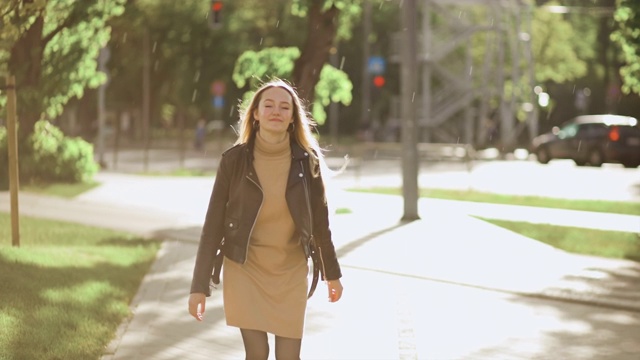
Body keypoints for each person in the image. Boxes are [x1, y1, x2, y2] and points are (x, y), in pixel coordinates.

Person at [188, 79, 344, 360]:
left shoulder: (307, 163)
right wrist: (198, 287)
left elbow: (321, 224)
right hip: (245, 268)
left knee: (288, 357)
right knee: (257, 354)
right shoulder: (233, 161)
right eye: (268, 105)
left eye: (285, 107)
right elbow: (212, 226)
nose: (276, 111)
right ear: (256, 113)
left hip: (290, 269)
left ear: (292, 118)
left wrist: (332, 273)